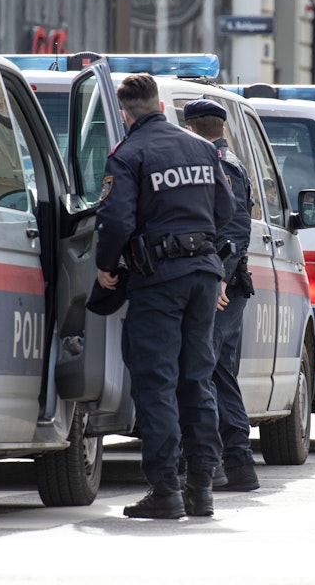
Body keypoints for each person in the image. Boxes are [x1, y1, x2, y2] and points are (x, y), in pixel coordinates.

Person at [95, 74, 234, 519]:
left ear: (124, 114)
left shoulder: (128, 153)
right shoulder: (201, 148)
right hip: (204, 273)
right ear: (159, 105)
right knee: (197, 378)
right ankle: (202, 487)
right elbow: (226, 210)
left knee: (156, 382)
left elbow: (116, 221)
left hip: (158, 279)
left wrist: (105, 265)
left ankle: (164, 490)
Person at [182, 99, 259, 492]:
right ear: (223, 128)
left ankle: (212, 463)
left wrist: (220, 281)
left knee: (204, 371)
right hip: (224, 281)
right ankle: (239, 466)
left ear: (190, 128)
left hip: (221, 285)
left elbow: (235, 229)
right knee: (218, 373)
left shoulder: (219, 165)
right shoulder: (229, 162)